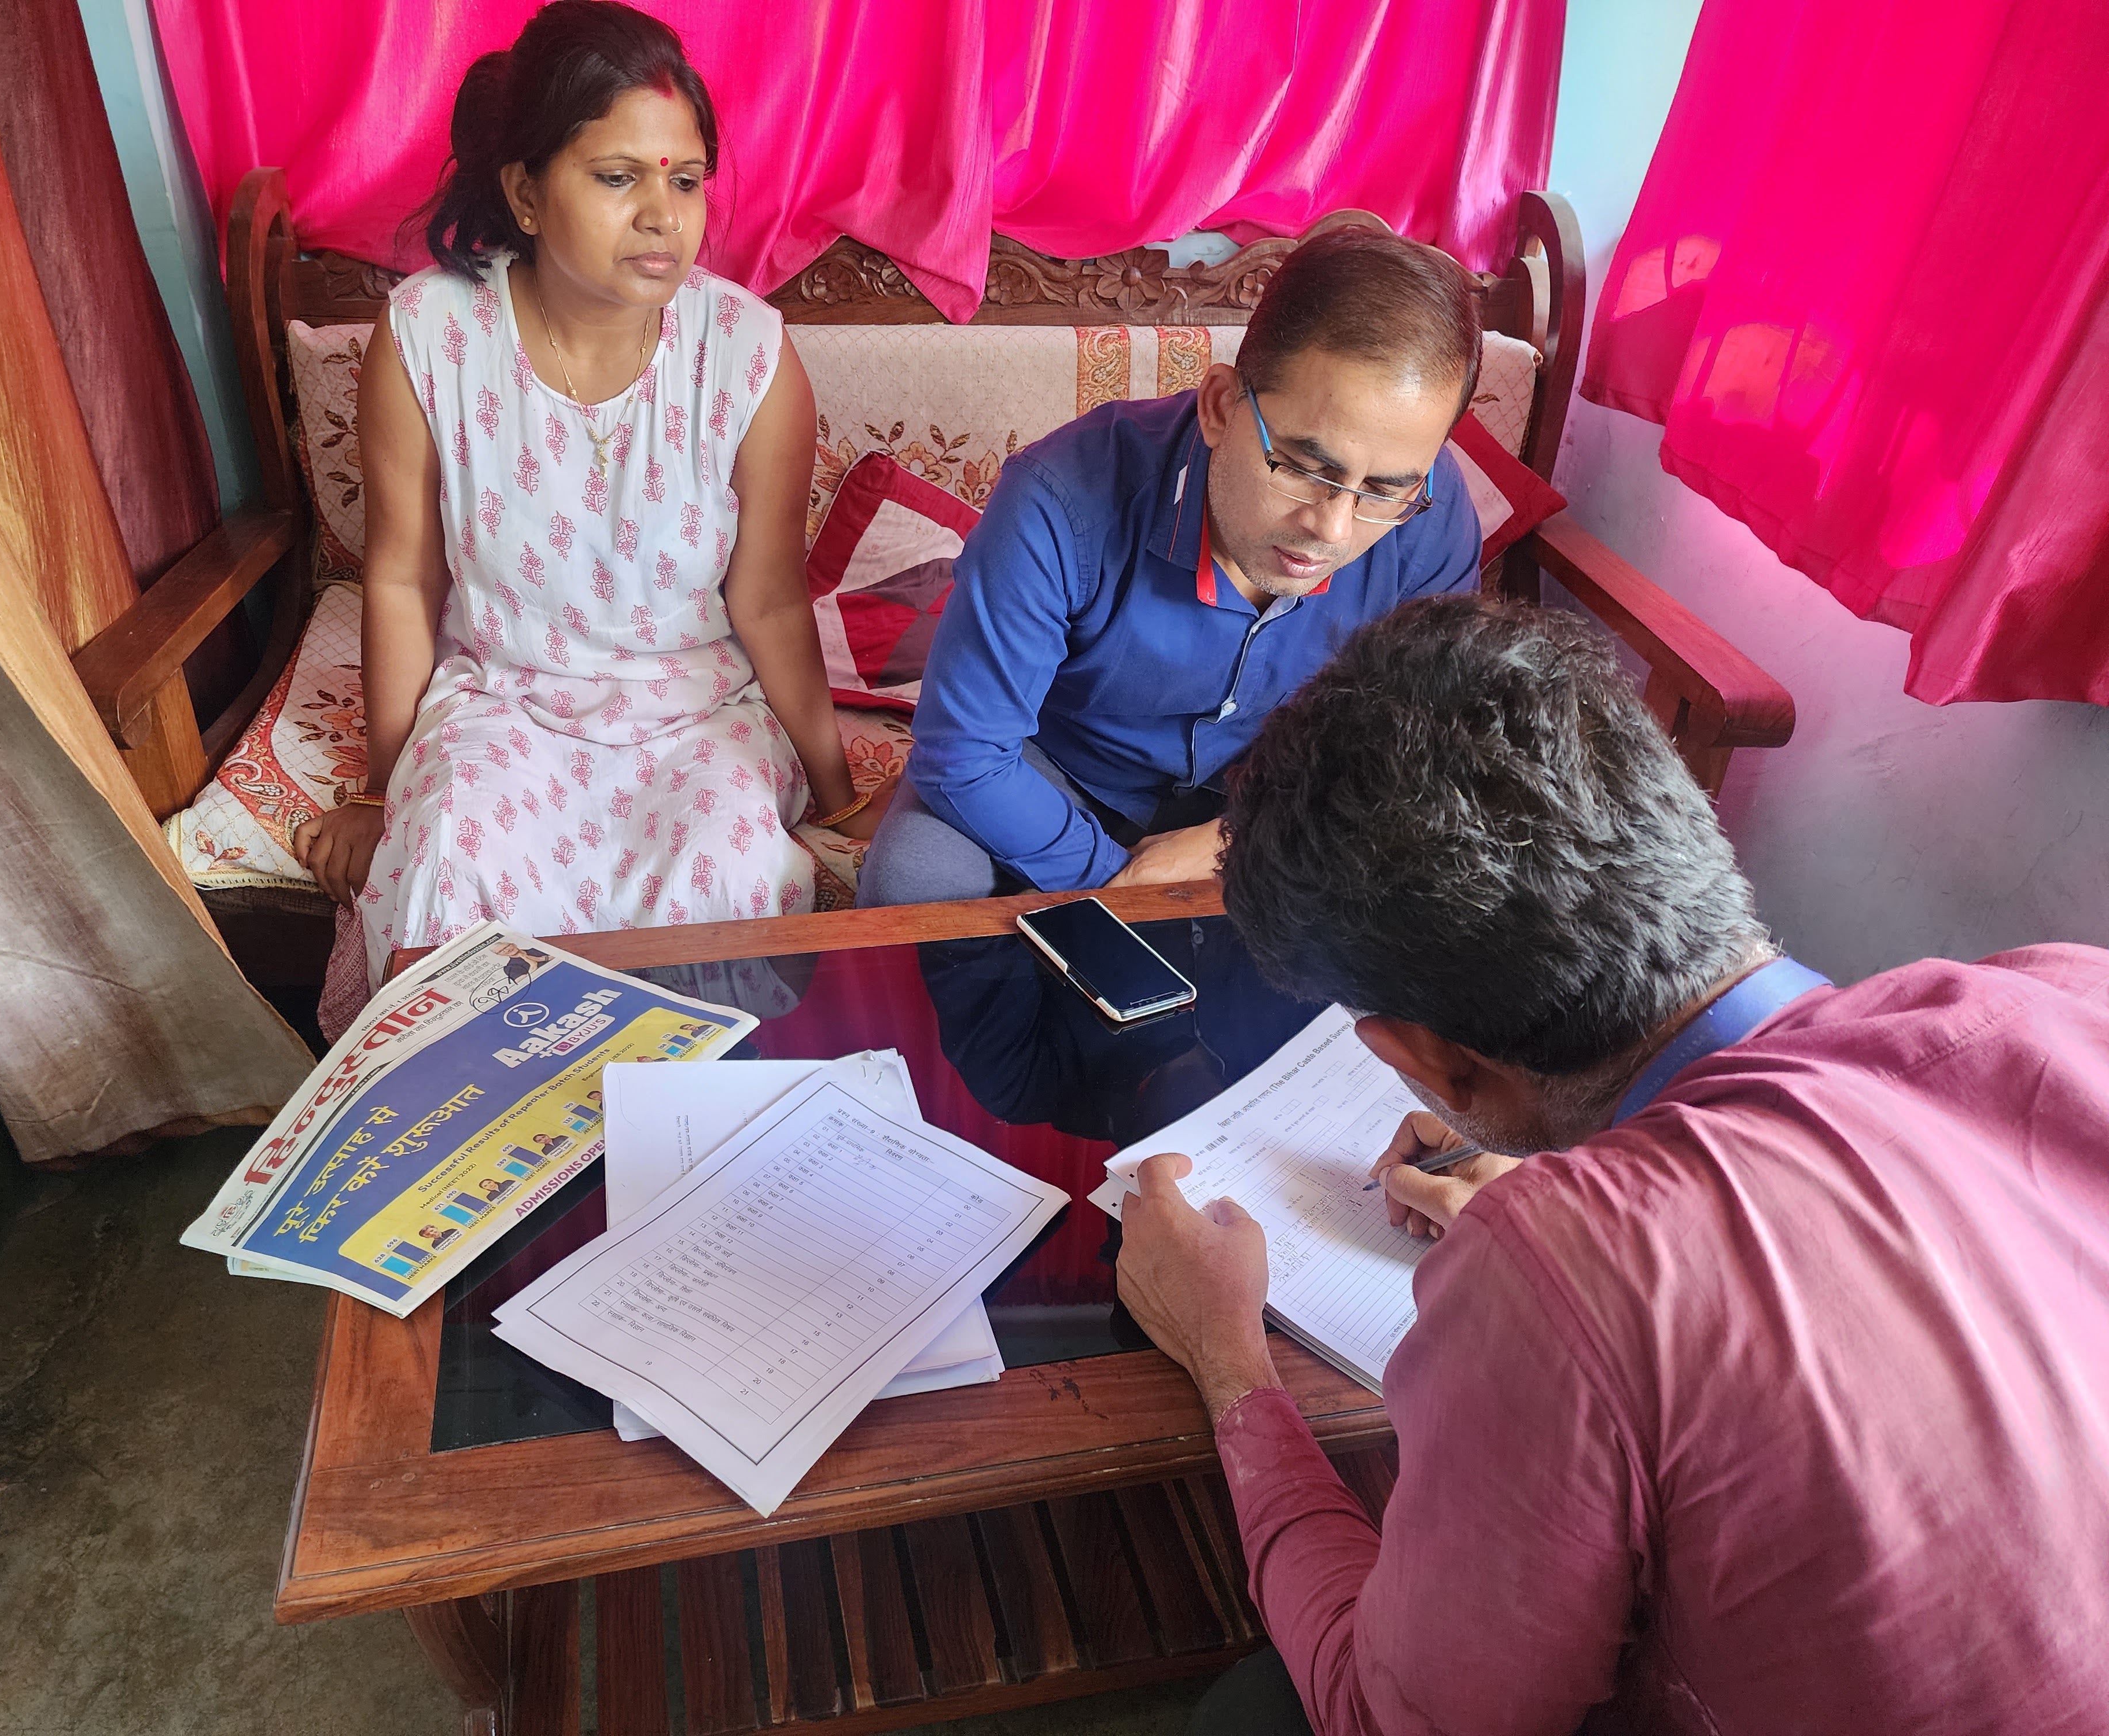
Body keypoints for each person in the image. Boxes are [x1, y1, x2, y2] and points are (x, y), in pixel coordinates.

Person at [1117, 595, 2109, 1735]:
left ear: (1424, 1059)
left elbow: (1391, 1720)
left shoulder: (1565, 1264)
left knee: (1256, 1710)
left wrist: (1225, 1355)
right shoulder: (2060, 995)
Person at [293, 2, 878, 985]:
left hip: (695, 713)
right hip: (501, 705)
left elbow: (770, 598)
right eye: (618, 178)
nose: (665, 215)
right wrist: (380, 794)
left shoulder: (748, 356)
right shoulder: (430, 337)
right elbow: (400, 579)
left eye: (685, 180)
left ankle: (686, 1138)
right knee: (447, 870)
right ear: (525, 193)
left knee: (725, 879)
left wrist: (836, 790)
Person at [856, 229, 1484, 907]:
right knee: (914, 879)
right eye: (1303, 467)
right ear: (1219, 408)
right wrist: (1119, 883)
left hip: (1281, 795)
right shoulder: (1059, 497)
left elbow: (1413, 749)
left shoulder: (1430, 512)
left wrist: (1234, 838)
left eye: (1383, 491)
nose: (1331, 529)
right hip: (1055, 771)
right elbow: (967, 755)